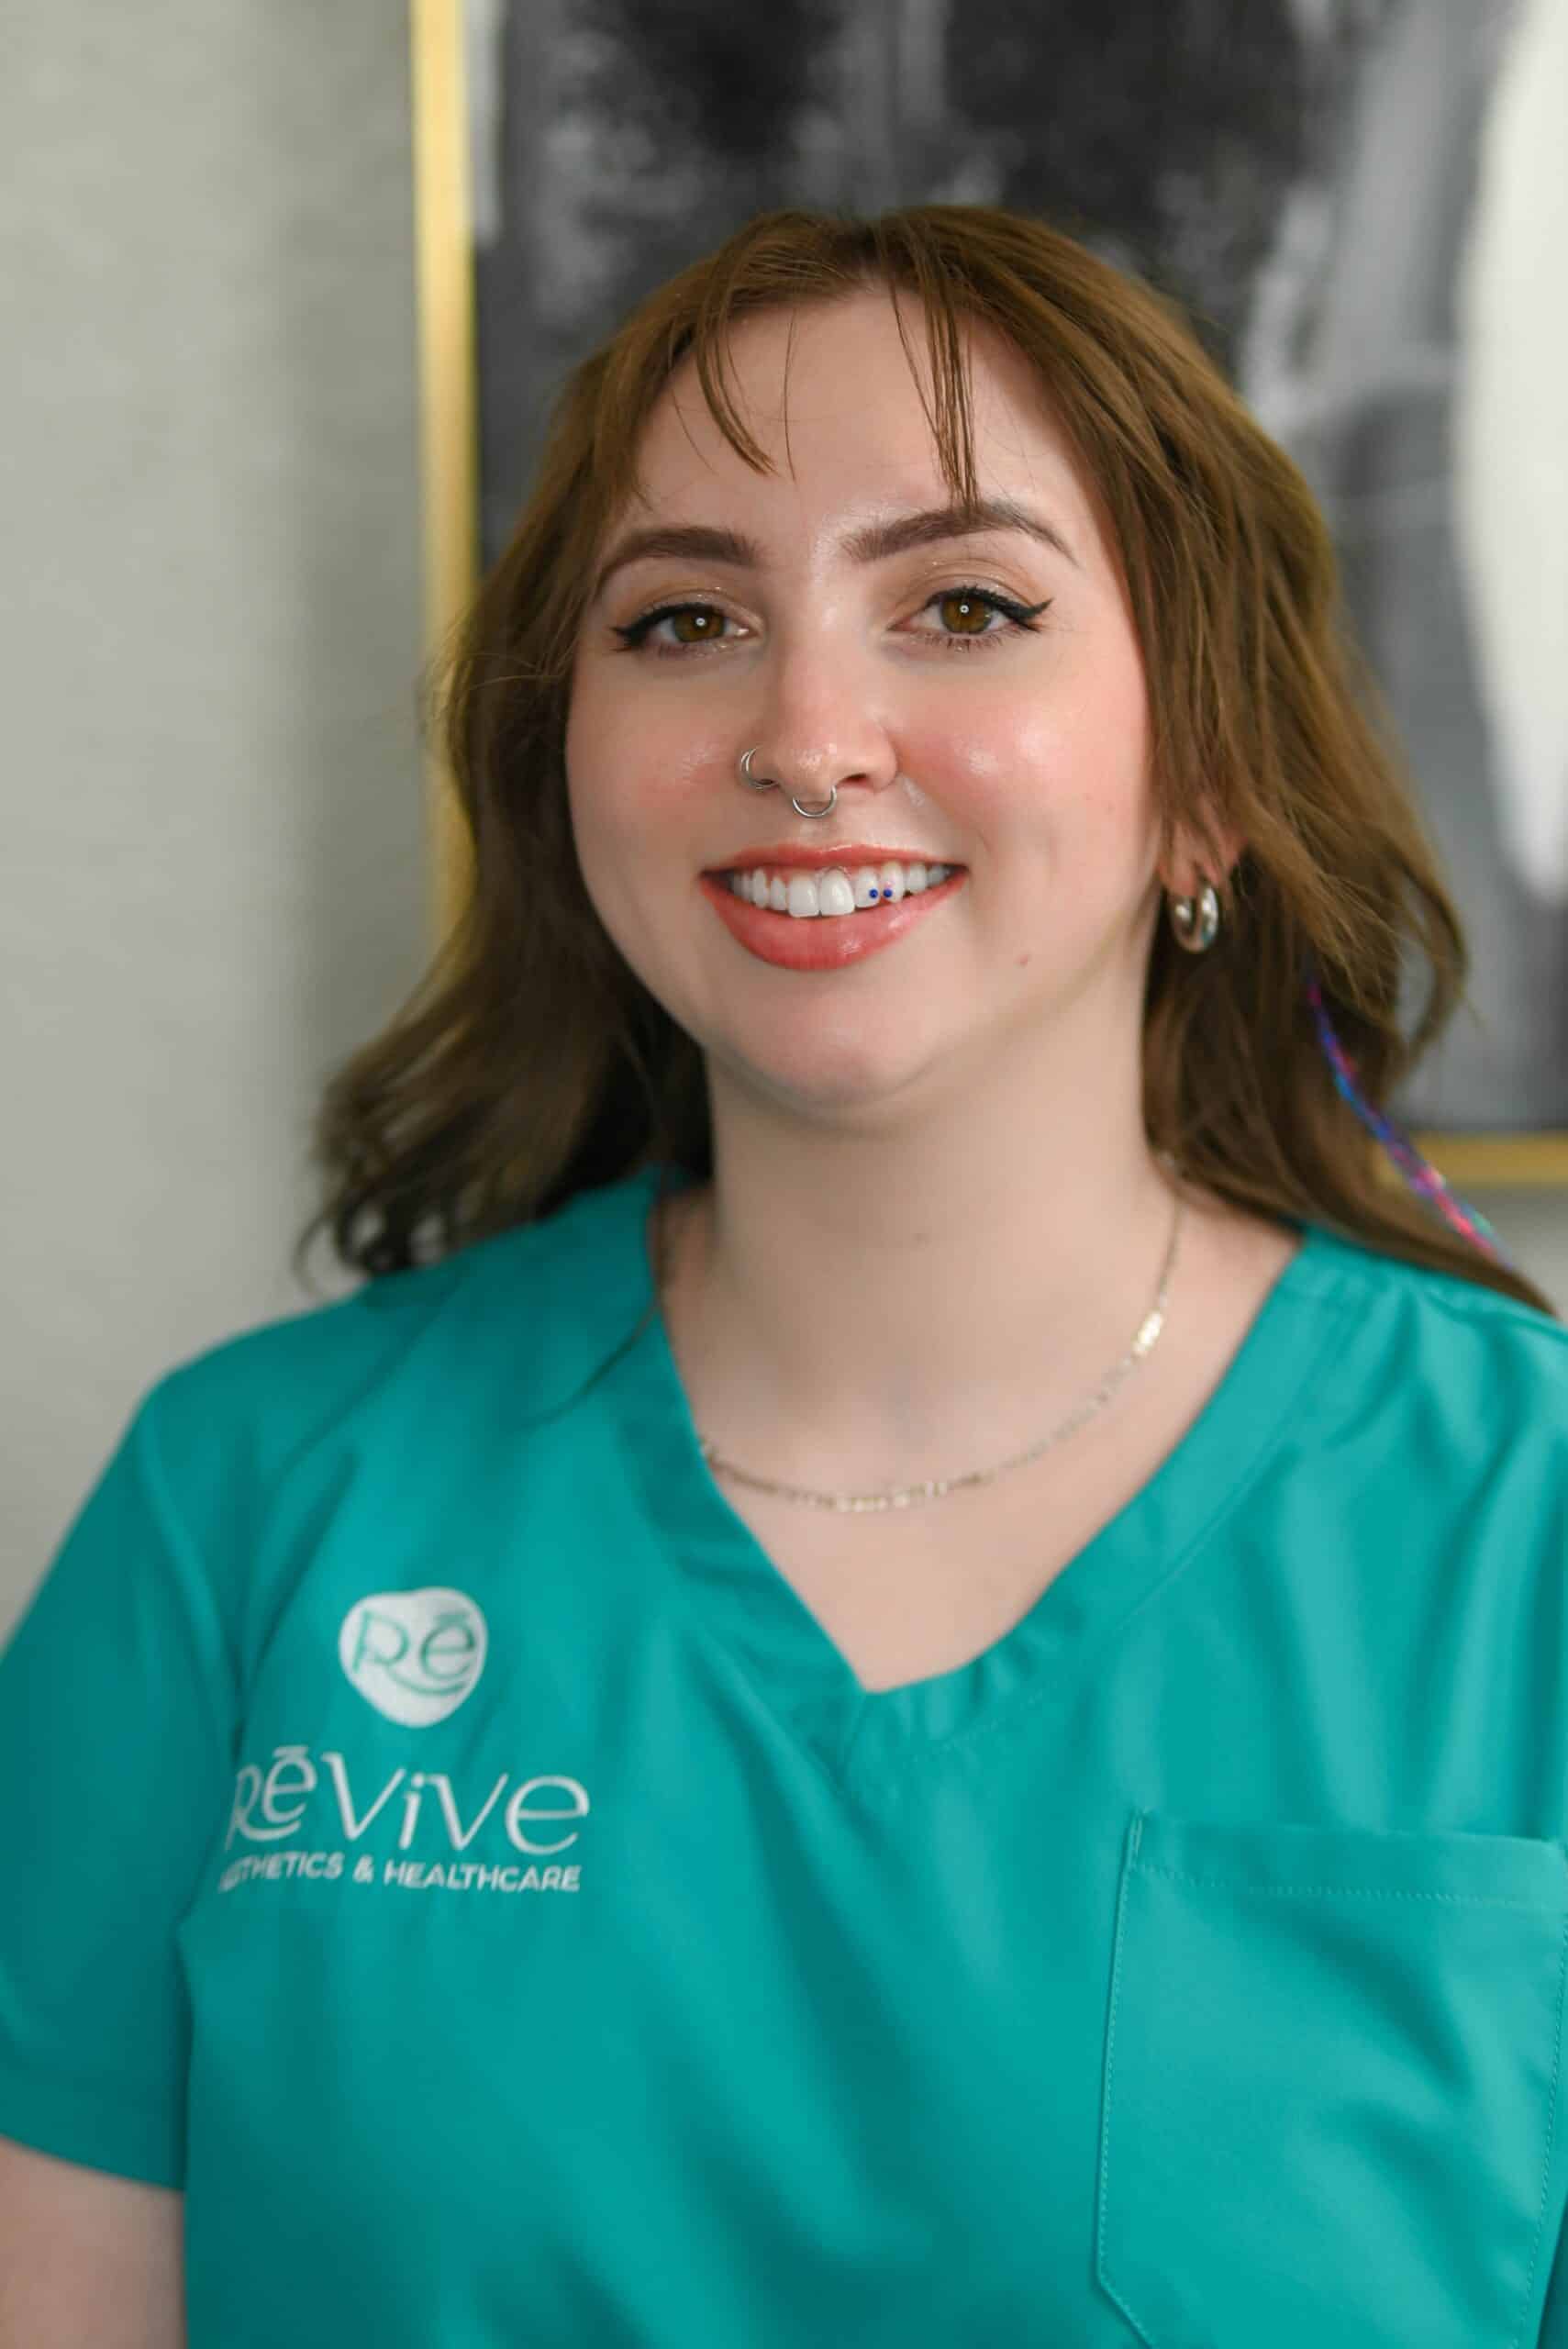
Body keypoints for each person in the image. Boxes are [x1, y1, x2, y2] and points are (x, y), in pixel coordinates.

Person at [2, 203, 1565, 2349]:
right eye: (681, 624)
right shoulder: (244, 1509)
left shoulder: (1524, 1531)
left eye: (967, 603)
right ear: (568, 775)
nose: (808, 730)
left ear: (1205, 781)